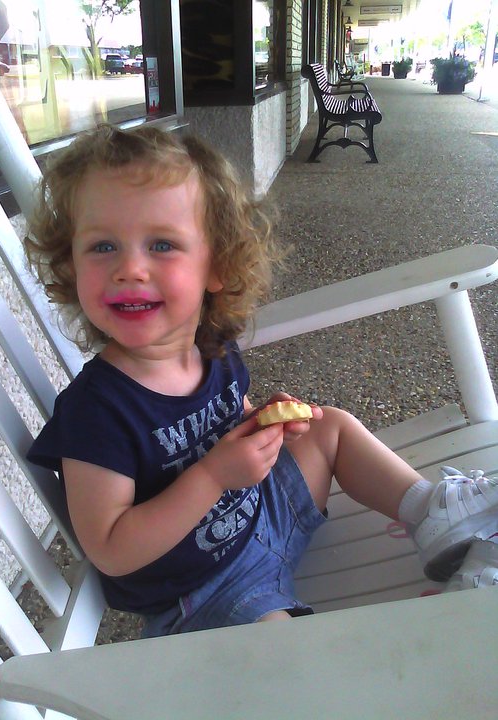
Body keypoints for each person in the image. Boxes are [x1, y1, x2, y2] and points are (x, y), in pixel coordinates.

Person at [26, 125, 498, 637]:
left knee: (331, 427)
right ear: (71, 266)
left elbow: (231, 420)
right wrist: (212, 478)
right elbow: (112, 549)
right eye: (102, 246)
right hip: (204, 593)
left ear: (216, 266)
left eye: (161, 244)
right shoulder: (95, 412)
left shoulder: (212, 350)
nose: (130, 269)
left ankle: (431, 511)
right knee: (281, 647)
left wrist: (262, 427)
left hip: (264, 513)